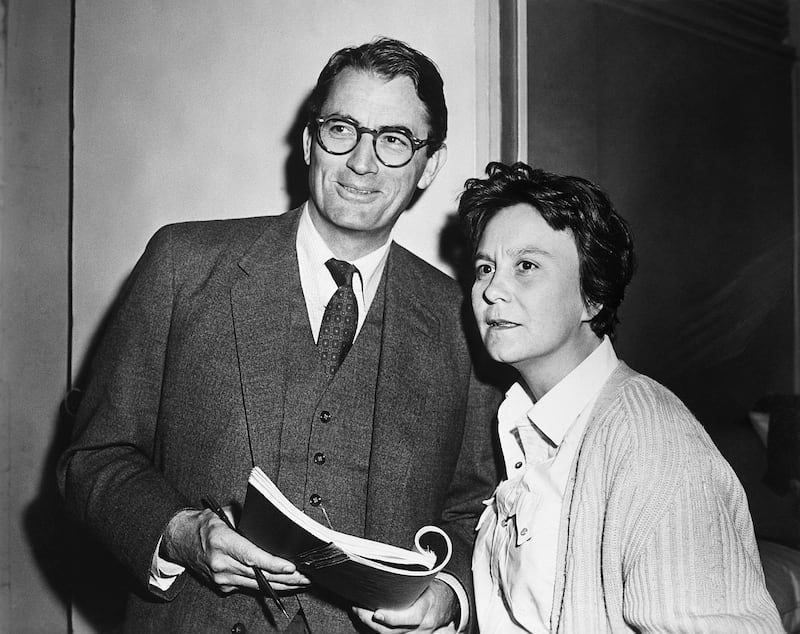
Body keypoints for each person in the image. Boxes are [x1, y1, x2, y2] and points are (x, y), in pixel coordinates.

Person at [58, 38, 500, 634]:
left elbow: (478, 506)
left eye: (394, 140)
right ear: (309, 141)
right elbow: (92, 458)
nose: (362, 162)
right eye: (343, 129)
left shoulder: (461, 319)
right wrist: (180, 532)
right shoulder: (184, 267)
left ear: (431, 164)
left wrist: (448, 593)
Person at [459, 162, 782, 632]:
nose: (492, 289)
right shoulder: (524, 422)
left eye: (525, 266)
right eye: (485, 267)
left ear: (594, 296)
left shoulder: (653, 443)